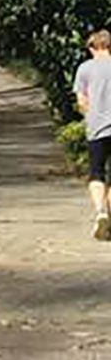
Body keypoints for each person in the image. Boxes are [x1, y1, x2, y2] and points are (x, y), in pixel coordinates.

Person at [75, 29, 111, 241]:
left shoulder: (84, 69)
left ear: (92, 47)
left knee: (97, 173)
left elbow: (82, 101)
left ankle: (101, 212)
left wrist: (91, 116)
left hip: (97, 129)